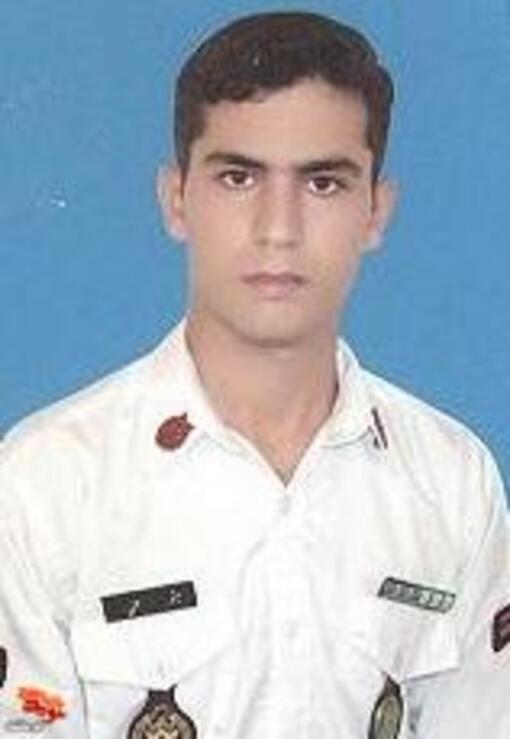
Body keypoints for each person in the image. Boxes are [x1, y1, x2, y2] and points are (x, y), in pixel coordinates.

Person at [0, 10, 508, 739]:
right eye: (238, 177)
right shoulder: (43, 485)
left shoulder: (453, 481)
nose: (278, 228)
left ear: (376, 211)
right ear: (176, 199)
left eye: (323, 183)